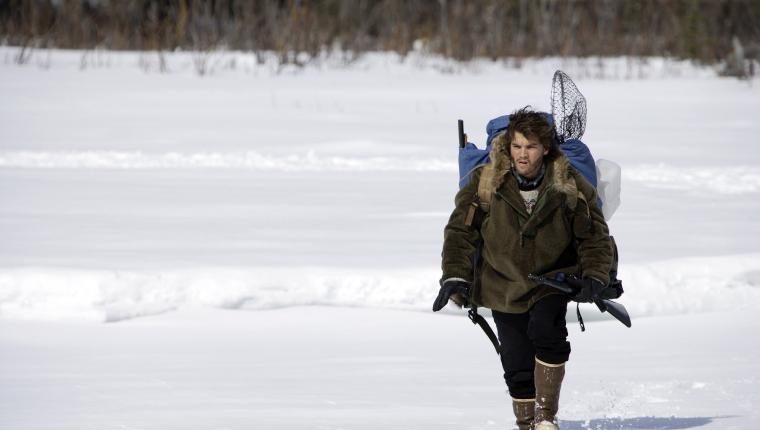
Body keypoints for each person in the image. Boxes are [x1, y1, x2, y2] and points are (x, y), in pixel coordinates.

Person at [434, 107, 613, 430]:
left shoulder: (568, 182)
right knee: (516, 364)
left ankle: (546, 419)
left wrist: (596, 276)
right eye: (516, 146)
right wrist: (455, 277)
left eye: (530, 147)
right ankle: (527, 425)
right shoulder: (485, 181)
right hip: (502, 283)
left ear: (545, 148)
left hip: (552, 280)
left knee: (548, 333)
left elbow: (594, 235)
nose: (522, 154)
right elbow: (461, 232)